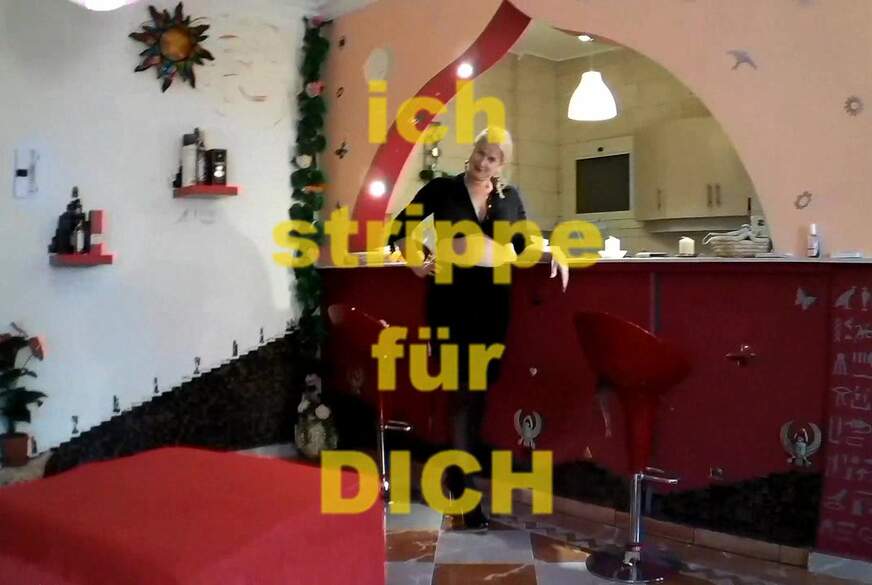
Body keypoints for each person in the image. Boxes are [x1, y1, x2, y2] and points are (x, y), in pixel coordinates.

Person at [388, 127, 567, 529]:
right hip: (451, 297)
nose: (481, 162)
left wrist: (553, 251)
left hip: (493, 299)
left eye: (491, 158)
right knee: (461, 390)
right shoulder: (442, 189)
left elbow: (522, 246)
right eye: (479, 153)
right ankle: (465, 488)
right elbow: (400, 228)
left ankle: (458, 471)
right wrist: (417, 263)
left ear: (501, 164)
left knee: (480, 389)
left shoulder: (508, 198)